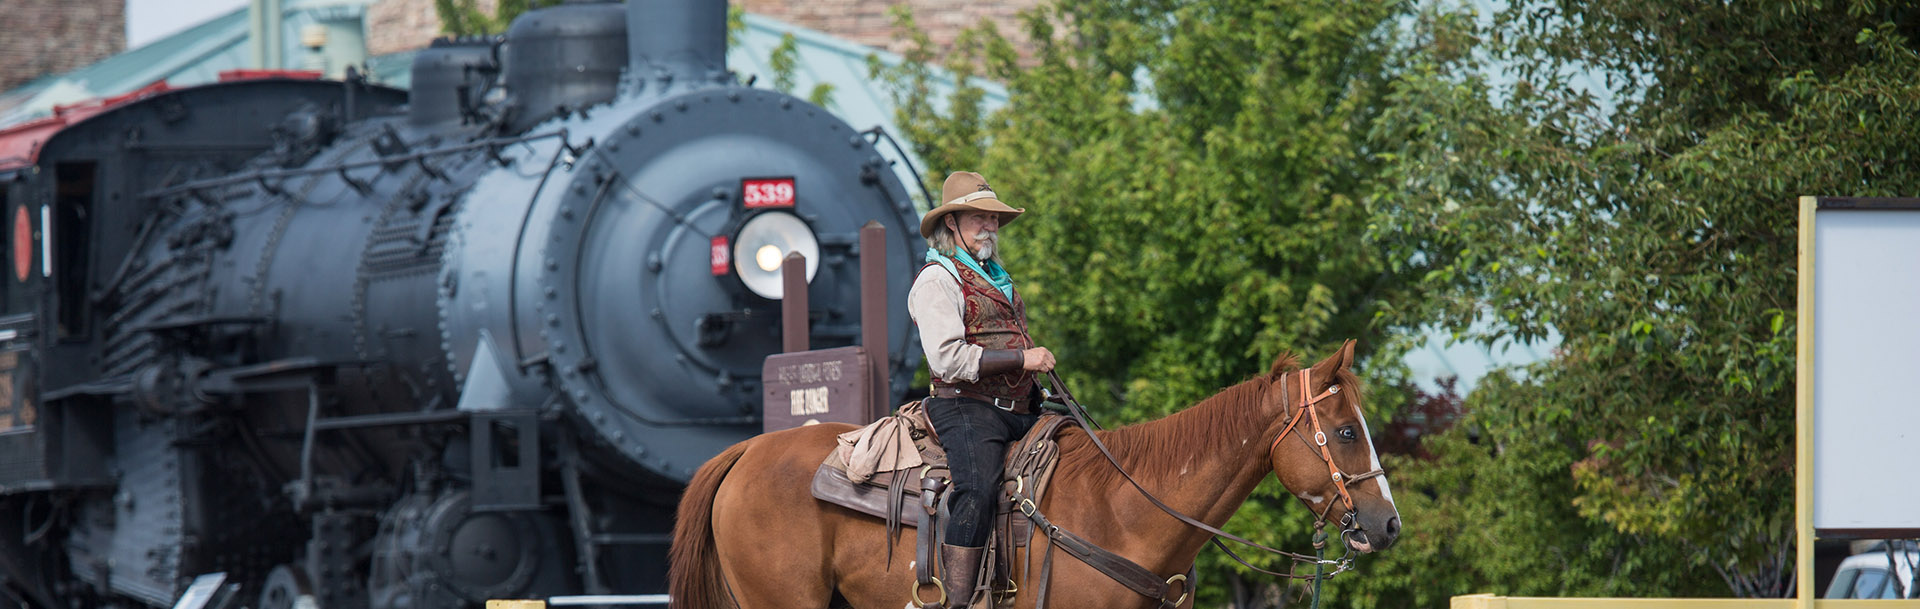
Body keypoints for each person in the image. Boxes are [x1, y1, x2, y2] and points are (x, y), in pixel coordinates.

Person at [908, 171, 1056, 608]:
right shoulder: (937, 279)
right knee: (976, 487)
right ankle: (958, 601)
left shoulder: (997, 276)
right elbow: (948, 360)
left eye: (994, 218)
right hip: (966, 407)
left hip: (1021, 406)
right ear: (951, 223)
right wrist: (1022, 360)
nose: (990, 226)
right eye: (979, 217)